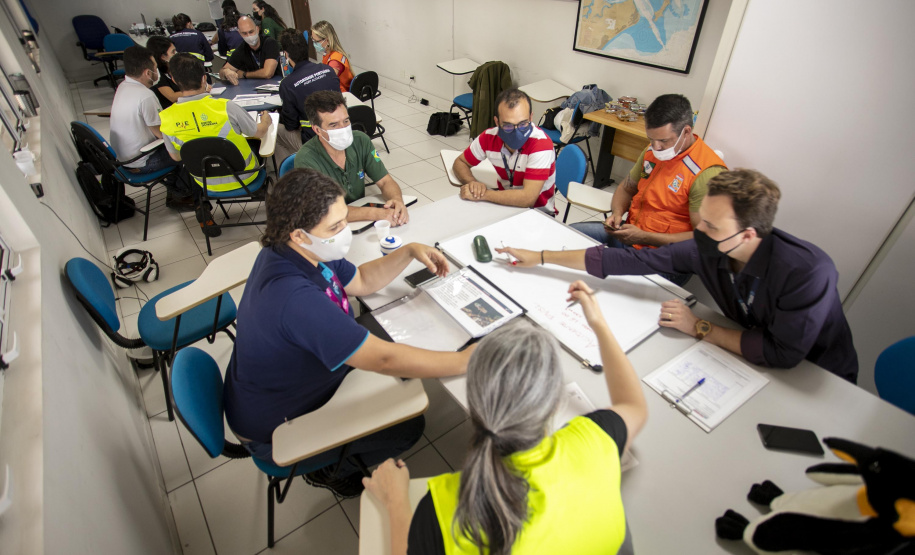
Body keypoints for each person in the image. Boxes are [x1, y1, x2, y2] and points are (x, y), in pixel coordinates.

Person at [224, 169, 476, 497]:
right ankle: (329, 470)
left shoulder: (299, 250)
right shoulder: (293, 297)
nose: (346, 232)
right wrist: (463, 362)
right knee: (409, 428)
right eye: (336, 226)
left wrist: (409, 251)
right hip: (275, 427)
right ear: (299, 234)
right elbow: (383, 358)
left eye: (345, 219)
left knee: (388, 348)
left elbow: (362, 281)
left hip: (278, 387)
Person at [499, 169, 859, 383]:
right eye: (701, 218)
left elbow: (781, 353)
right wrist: (541, 256)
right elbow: (624, 262)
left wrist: (700, 327)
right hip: (745, 360)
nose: (698, 229)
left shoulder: (808, 272)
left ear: (749, 235)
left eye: (711, 225)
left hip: (814, 376)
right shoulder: (708, 244)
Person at [364, 291, 648, 555]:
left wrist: (396, 500)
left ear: (473, 404)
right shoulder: (595, 441)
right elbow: (634, 405)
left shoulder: (443, 509)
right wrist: (598, 324)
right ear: (554, 403)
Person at [572, 94, 727, 286]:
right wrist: (617, 214)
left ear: (686, 131)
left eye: (663, 140)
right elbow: (626, 188)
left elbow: (703, 239)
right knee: (569, 237)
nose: (656, 147)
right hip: (630, 238)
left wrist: (646, 236)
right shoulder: (652, 152)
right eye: (651, 139)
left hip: (663, 258)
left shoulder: (705, 174)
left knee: (601, 283)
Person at [159, 54, 271, 235]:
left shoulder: (166, 118)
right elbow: (258, 132)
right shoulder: (226, 107)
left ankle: (201, 208)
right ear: (204, 78)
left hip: (206, 183)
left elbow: (176, 156)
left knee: (196, 160)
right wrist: (266, 120)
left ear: (173, 80)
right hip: (245, 176)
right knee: (258, 144)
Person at [294, 90, 409, 226]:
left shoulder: (361, 140)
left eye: (346, 121)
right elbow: (326, 211)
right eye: (334, 125)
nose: (343, 128)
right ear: (317, 130)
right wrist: (377, 213)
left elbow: (384, 181)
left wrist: (397, 200)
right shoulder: (306, 159)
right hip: (328, 226)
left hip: (359, 220)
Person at [108, 46, 195, 210]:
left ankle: (176, 187)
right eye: (155, 67)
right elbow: (162, 134)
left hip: (124, 159)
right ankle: (181, 194)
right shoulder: (145, 96)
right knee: (190, 148)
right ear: (148, 73)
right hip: (142, 162)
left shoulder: (123, 87)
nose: (157, 72)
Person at [452, 88, 558, 214]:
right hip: (504, 205)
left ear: (531, 117)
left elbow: (528, 198)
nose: (516, 132)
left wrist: (484, 194)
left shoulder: (541, 144)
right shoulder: (488, 137)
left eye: (523, 124)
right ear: (497, 122)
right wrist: (473, 184)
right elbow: (460, 162)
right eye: (508, 125)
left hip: (537, 213)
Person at [275, 28, 339, 163]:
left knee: (276, 133)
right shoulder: (327, 70)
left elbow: (290, 125)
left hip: (316, 142)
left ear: (286, 54)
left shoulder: (287, 84)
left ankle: (292, 173)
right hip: (339, 134)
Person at [218, 15, 281, 84]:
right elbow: (222, 72)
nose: (249, 36)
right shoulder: (241, 49)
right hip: (254, 87)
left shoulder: (269, 43)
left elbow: (268, 73)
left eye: (251, 32)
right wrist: (226, 72)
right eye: (244, 33)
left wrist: (244, 74)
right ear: (239, 33)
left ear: (257, 29)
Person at [311, 20, 353, 92]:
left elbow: (328, 81)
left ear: (327, 40)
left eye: (316, 41)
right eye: (312, 39)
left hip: (341, 95)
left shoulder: (335, 60)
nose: (314, 44)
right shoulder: (328, 53)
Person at [145, 36, 180, 108]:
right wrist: (196, 91)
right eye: (173, 52)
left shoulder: (173, 67)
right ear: (163, 57)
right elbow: (172, 97)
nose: (176, 54)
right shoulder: (157, 74)